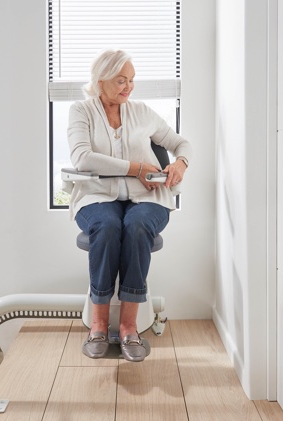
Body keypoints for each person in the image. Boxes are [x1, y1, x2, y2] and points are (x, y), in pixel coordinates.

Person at [67, 49, 191, 362]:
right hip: (96, 195)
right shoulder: (81, 111)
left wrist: (181, 163)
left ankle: (128, 328)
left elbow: (181, 143)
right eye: (121, 80)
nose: (129, 86)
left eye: (132, 80)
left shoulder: (142, 111)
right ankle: (97, 326)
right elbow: (82, 157)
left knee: (135, 228)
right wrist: (136, 168)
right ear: (100, 81)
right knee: (108, 227)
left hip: (148, 197)